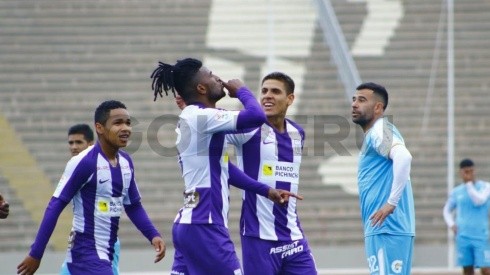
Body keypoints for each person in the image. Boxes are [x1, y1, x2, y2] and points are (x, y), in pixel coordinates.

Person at [151, 58, 301, 275]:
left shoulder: (197, 117)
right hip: (205, 225)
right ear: (201, 88)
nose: (218, 79)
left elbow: (225, 169)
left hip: (190, 224)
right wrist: (241, 91)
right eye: (211, 75)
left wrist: (266, 190)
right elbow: (256, 116)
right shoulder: (201, 117)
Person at [17, 100, 165, 275]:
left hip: (108, 251)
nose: (125, 128)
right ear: (99, 128)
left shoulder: (126, 162)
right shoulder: (84, 162)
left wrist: (153, 235)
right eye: (118, 123)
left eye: (128, 123)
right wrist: (36, 253)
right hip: (85, 252)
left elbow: (133, 205)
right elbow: (55, 206)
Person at [225, 72, 317, 274]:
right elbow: (212, 127)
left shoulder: (297, 133)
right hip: (258, 237)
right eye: (264, 91)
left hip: (293, 236)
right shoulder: (247, 128)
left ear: (290, 99)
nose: (267, 95)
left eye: (275, 91)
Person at [351, 82, 415, 275]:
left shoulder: (381, 129)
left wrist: (391, 203)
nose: (354, 104)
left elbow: (404, 157)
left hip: (387, 228)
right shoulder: (377, 133)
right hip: (386, 229)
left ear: (378, 107)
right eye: (354, 99)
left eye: (362, 100)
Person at [60, 123, 121, 275]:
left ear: (90, 144)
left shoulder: (103, 169)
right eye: (71, 143)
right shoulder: (74, 167)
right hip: (80, 241)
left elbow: (112, 204)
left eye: (78, 142)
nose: (74, 147)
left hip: (103, 240)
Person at [443, 158, 490, 275]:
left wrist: (469, 184)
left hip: (481, 235)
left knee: (486, 269)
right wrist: (451, 224)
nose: (469, 174)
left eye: (471, 171)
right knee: (467, 269)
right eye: (466, 172)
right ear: (461, 173)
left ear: (474, 171)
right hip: (463, 236)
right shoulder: (456, 191)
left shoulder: (486, 187)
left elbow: (479, 200)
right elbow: (446, 210)